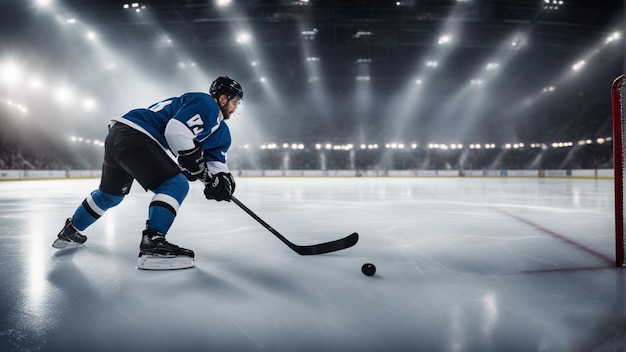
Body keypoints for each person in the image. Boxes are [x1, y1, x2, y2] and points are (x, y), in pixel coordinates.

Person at [52, 76, 244, 270]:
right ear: (222, 98)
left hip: (121, 134)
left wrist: (222, 180)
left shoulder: (222, 132)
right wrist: (194, 164)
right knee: (175, 184)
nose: (235, 108)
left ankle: (71, 229)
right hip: (137, 135)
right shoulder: (206, 104)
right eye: (234, 102)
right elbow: (176, 131)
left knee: (110, 195)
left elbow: (216, 164)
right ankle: (154, 241)